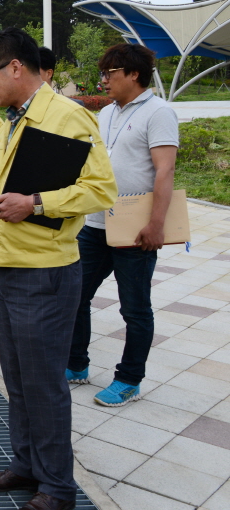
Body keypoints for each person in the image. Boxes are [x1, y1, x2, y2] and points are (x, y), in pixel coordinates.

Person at [0, 28, 116, 510]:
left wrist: (36, 203)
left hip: (44, 273)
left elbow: (101, 189)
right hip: (5, 267)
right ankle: (26, 465)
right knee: (17, 379)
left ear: (15, 67)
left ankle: (57, 486)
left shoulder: (66, 117)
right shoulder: (10, 121)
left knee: (43, 383)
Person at [67, 44, 178, 406]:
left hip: (135, 227)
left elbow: (165, 170)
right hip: (95, 224)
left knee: (134, 309)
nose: (104, 79)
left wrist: (156, 224)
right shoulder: (106, 113)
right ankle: (76, 364)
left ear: (133, 74)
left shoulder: (159, 112)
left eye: (110, 73)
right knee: (75, 296)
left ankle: (129, 379)